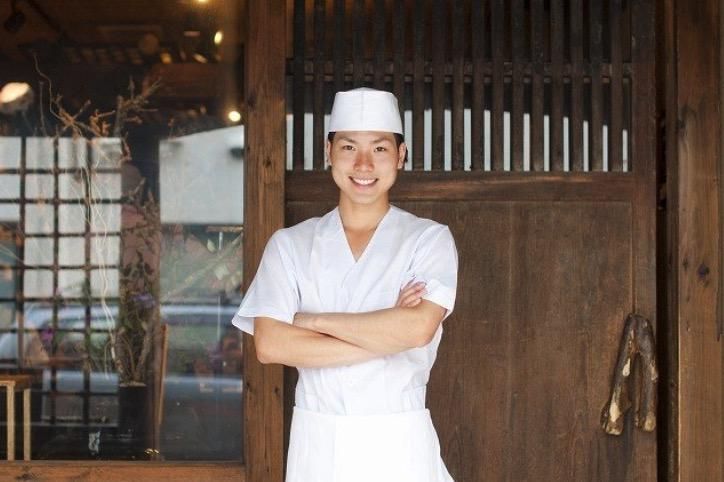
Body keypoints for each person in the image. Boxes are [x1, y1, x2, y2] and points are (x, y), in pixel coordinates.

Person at [231, 87, 458, 481]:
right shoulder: (291, 245)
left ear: (400, 155)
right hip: (318, 441)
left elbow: (418, 329)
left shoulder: (428, 239)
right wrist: (386, 334)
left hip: (399, 440)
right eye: (349, 147)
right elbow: (270, 345)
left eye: (380, 148)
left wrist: (309, 320)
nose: (363, 164)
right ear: (329, 152)